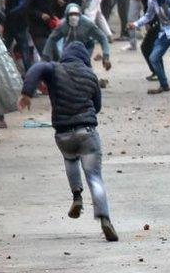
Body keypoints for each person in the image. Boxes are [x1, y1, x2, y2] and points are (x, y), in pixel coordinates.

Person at [18, 42, 118, 242]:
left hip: (63, 134)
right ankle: (104, 218)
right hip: (86, 132)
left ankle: (77, 197)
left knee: (70, 159)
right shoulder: (91, 75)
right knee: (95, 177)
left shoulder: (54, 69)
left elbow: (37, 67)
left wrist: (27, 93)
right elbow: (97, 106)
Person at [42, 3, 112, 69]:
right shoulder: (63, 25)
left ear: (80, 14)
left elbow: (102, 37)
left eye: (76, 14)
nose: (73, 17)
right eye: (71, 14)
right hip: (69, 48)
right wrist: (45, 56)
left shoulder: (88, 24)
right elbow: (52, 39)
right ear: (66, 15)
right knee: (66, 68)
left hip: (86, 47)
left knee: (83, 66)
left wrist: (106, 56)